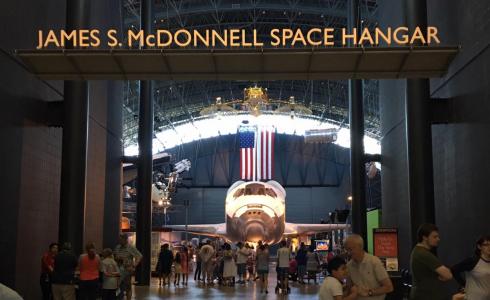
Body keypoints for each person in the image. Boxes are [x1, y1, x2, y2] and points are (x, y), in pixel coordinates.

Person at [410, 223, 452, 300]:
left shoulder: (417, 251)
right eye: (435, 237)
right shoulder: (424, 254)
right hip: (426, 296)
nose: (438, 239)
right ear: (425, 237)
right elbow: (448, 275)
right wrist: (441, 276)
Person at [344, 234, 394, 299]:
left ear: (360, 247)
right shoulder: (349, 265)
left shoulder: (374, 262)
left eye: (350, 249)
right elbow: (349, 288)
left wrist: (369, 292)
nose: (348, 253)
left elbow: (389, 287)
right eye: (347, 249)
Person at [451, 235, 490, 300]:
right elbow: (454, 269)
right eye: (486, 245)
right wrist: (464, 284)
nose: (489, 247)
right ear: (479, 246)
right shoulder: (473, 261)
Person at [114, 233, 142, 300]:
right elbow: (114, 256)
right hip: (117, 270)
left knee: (128, 287)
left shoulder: (131, 247)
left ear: (125, 239)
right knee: (117, 286)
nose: (119, 241)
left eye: (121, 239)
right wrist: (117, 258)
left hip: (127, 270)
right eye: (119, 240)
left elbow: (139, 256)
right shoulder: (117, 247)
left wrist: (134, 266)